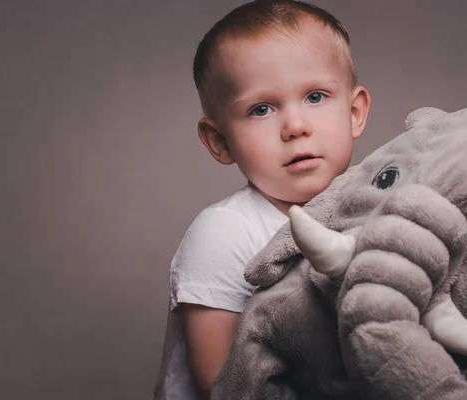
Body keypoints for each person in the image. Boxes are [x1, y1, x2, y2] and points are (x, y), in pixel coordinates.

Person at [154, 1, 371, 399]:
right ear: (220, 141)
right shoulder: (225, 233)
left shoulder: (371, 214)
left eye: (316, 96)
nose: (295, 126)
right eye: (261, 109)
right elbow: (223, 386)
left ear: (354, 112)